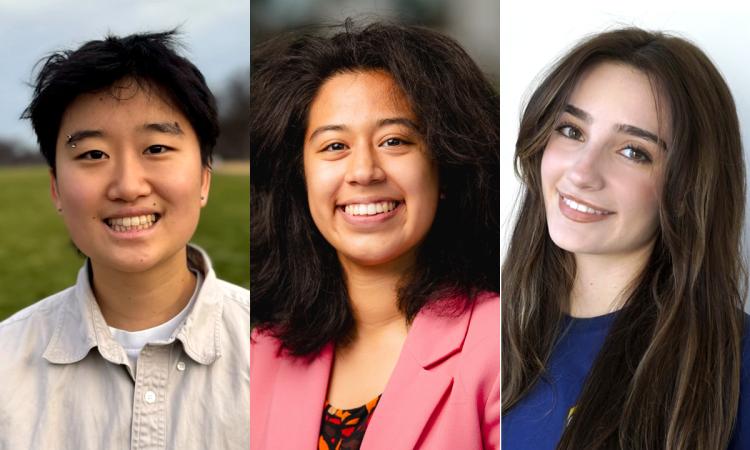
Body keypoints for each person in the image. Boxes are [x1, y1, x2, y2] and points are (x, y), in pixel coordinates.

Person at [250, 20, 499, 449]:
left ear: (444, 167)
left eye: (395, 141)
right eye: (334, 146)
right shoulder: (258, 352)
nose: (364, 171)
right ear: (301, 177)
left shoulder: (499, 343)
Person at [502, 27, 750, 449]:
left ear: (688, 188)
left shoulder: (735, 365)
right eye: (572, 130)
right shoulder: (489, 328)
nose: (581, 172)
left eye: (634, 151)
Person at [0, 31, 250, 449]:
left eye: (156, 147)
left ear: (204, 179)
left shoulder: (268, 353)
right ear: (56, 188)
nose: (128, 186)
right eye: (93, 155)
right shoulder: (6, 364)